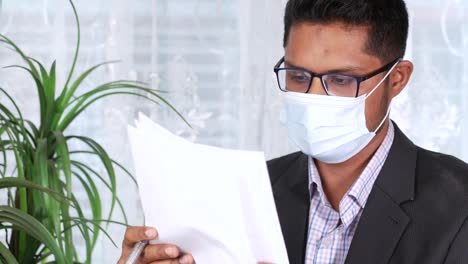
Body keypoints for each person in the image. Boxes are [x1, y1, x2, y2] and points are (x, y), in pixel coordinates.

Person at [118, 0, 468, 263]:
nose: (313, 98)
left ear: (396, 79)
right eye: (299, 76)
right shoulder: (245, 195)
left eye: (340, 80)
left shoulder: (458, 207)